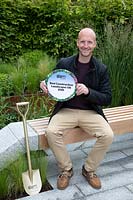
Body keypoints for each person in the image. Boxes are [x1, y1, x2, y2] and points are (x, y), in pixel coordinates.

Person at [40, 27, 114, 190]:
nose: (85, 45)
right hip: (66, 110)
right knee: (51, 131)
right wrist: (44, 86)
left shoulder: (101, 68)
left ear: (95, 44)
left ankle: (89, 170)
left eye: (89, 42)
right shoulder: (64, 63)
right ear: (77, 43)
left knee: (108, 135)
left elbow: (107, 98)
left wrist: (88, 92)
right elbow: (52, 86)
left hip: (90, 111)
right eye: (82, 41)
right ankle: (66, 170)